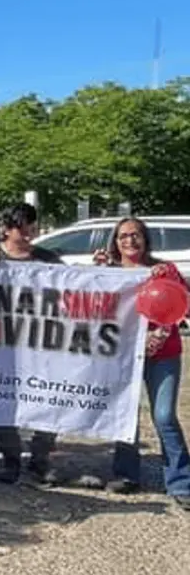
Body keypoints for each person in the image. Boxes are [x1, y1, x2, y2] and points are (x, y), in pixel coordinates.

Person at [89, 217, 190, 509]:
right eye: (123, 236)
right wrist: (98, 272)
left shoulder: (164, 270)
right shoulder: (111, 272)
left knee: (164, 416)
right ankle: (126, 474)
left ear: (145, 239)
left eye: (135, 235)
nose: (130, 241)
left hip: (163, 355)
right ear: (115, 242)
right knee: (125, 415)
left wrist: (161, 332)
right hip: (123, 356)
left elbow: (181, 303)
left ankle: (181, 481)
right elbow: (93, 305)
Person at [0, 203, 62, 486]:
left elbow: (74, 289)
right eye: (22, 225)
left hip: (41, 343)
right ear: (6, 229)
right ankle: (11, 458)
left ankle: (40, 459)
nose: (29, 231)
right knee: (4, 398)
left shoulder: (49, 259)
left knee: (51, 396)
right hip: (4, 344)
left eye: (32, 225)